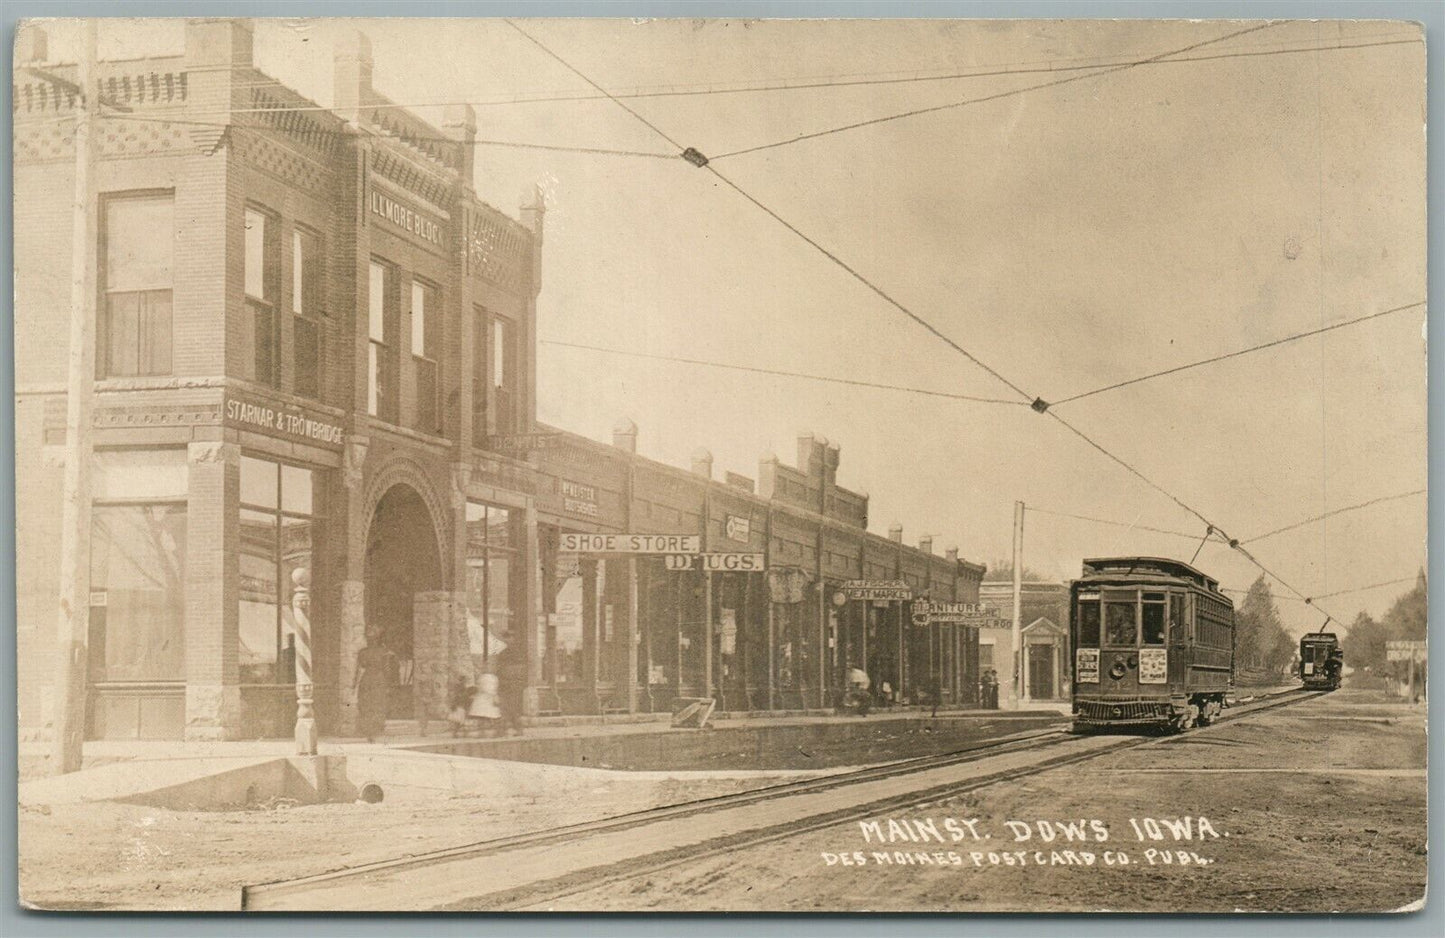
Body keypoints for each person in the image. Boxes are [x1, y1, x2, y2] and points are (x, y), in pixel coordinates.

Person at [353, 626, 395, 742]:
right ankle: (372, 730)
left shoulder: (363, 652)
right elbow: (387, 670)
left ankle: (370, 730)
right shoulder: (384, 652)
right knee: (373, 704)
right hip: (377, 679)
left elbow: (359, 669)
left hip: (368, 679)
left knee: (370, 704)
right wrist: (388, 684)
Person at [494, 642, 527, 736]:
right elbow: (499, 671)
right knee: (504, 709)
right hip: (505, 687)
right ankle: (503, 730)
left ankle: (516, 729)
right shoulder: (503, 654)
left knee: (512, 709)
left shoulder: (516, 655)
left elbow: (520, 673)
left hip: (512, 688)